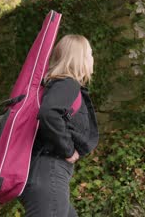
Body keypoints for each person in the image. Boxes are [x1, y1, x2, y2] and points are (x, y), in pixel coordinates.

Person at [20, 34, 99, 217]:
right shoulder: (67, 83)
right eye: (90, 54)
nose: (93, 59)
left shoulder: (54, 86)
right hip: (49, 170)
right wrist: (68, 149)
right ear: (80, 58)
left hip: (45, 173)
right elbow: (49, 113)